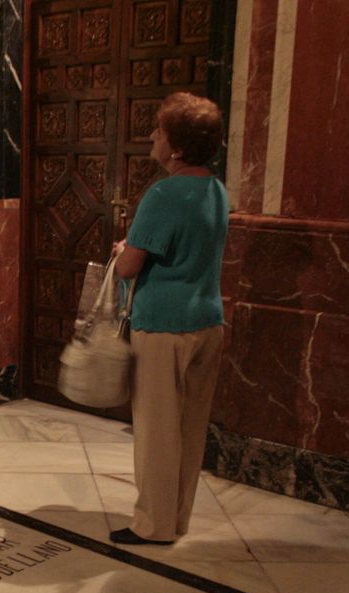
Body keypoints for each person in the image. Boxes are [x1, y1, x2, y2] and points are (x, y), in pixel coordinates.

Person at [109, 92, 228, 546]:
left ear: (176, 147)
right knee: (190, 428)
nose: (152, 138)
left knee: (157, 432)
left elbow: (129, 267)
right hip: (207, 321)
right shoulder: (216, 189)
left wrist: (123, 250)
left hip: (163, 326)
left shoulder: (163, 193)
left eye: (159, 132)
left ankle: (152, 525)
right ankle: (176, 519)